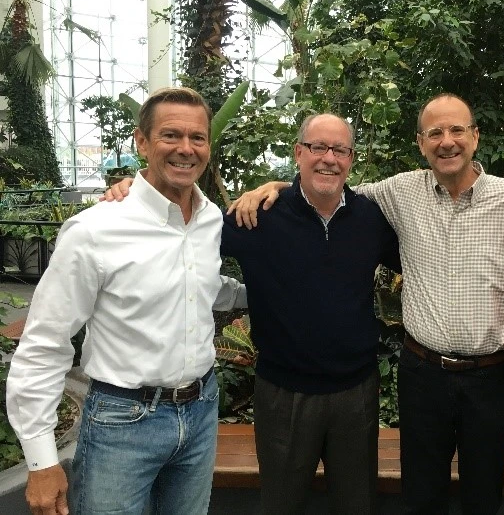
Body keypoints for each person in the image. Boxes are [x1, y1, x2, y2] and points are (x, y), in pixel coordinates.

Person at [231, 94, 504, 514]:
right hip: (414, 376)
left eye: (457, 130)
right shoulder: (397, 192)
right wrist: (276, 187)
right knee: (417, 497)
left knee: (482, 497)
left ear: (475, 137)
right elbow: (327, 188)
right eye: (435, 132)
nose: (447, 141)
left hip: (484, 377)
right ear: (421, 142)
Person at [104, 112, 401, 515]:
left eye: (340, 150)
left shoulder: (370, 218)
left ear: (351, 158)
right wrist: (137, 192)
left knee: (357, 504)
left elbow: (416, 261)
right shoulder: (257, 216)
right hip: (282, 394)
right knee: (281, 504)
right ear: (298, 152)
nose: (329, 158)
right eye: (318, 147)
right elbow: (181, 234)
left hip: (356, 393)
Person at [6, 87, 248, 515]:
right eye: (170, 135)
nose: (186, 148)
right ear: (142, 142)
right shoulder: (96, 230)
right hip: (122, 422)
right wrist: (41, 461)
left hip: (201, 411)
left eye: (198, 137)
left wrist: (274, 295)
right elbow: (44, 343)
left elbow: (208, 285)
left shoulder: (210, 218)